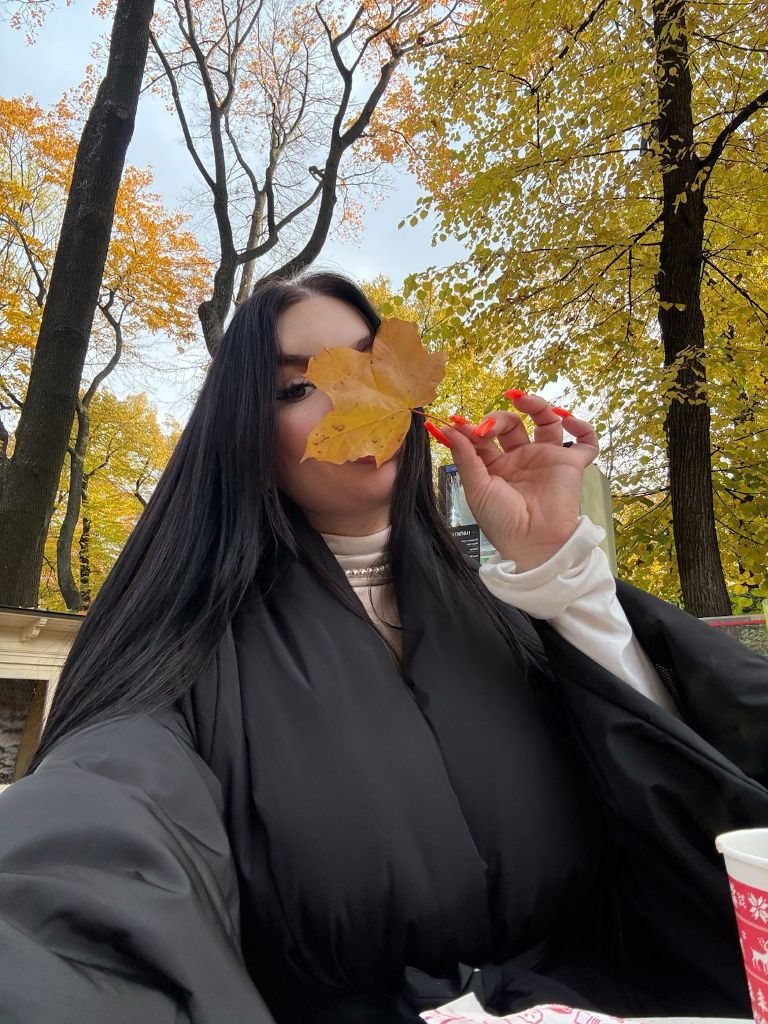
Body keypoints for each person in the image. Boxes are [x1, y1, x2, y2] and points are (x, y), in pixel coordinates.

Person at [0, 270, 766, 1024]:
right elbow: (93, 848)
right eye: (299, 387)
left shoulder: (523, 612)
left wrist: (559, 568)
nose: (357, 401)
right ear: (245, 433)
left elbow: (686, 805)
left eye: (374, 367)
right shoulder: (185, 662)